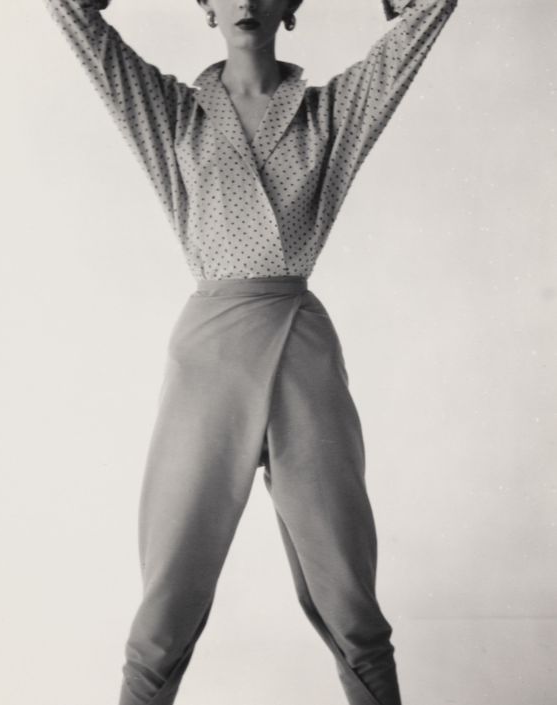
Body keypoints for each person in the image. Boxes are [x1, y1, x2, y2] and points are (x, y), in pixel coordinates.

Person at [43, 1, 458, 704]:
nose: (246, 0)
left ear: (292, 5)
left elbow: (428, 13)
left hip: (301, 350)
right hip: (208, 358)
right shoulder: (175, 113)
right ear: (204, 4)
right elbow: (74, 18)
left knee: (349, 595)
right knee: (167, 601)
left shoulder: (330, 111)